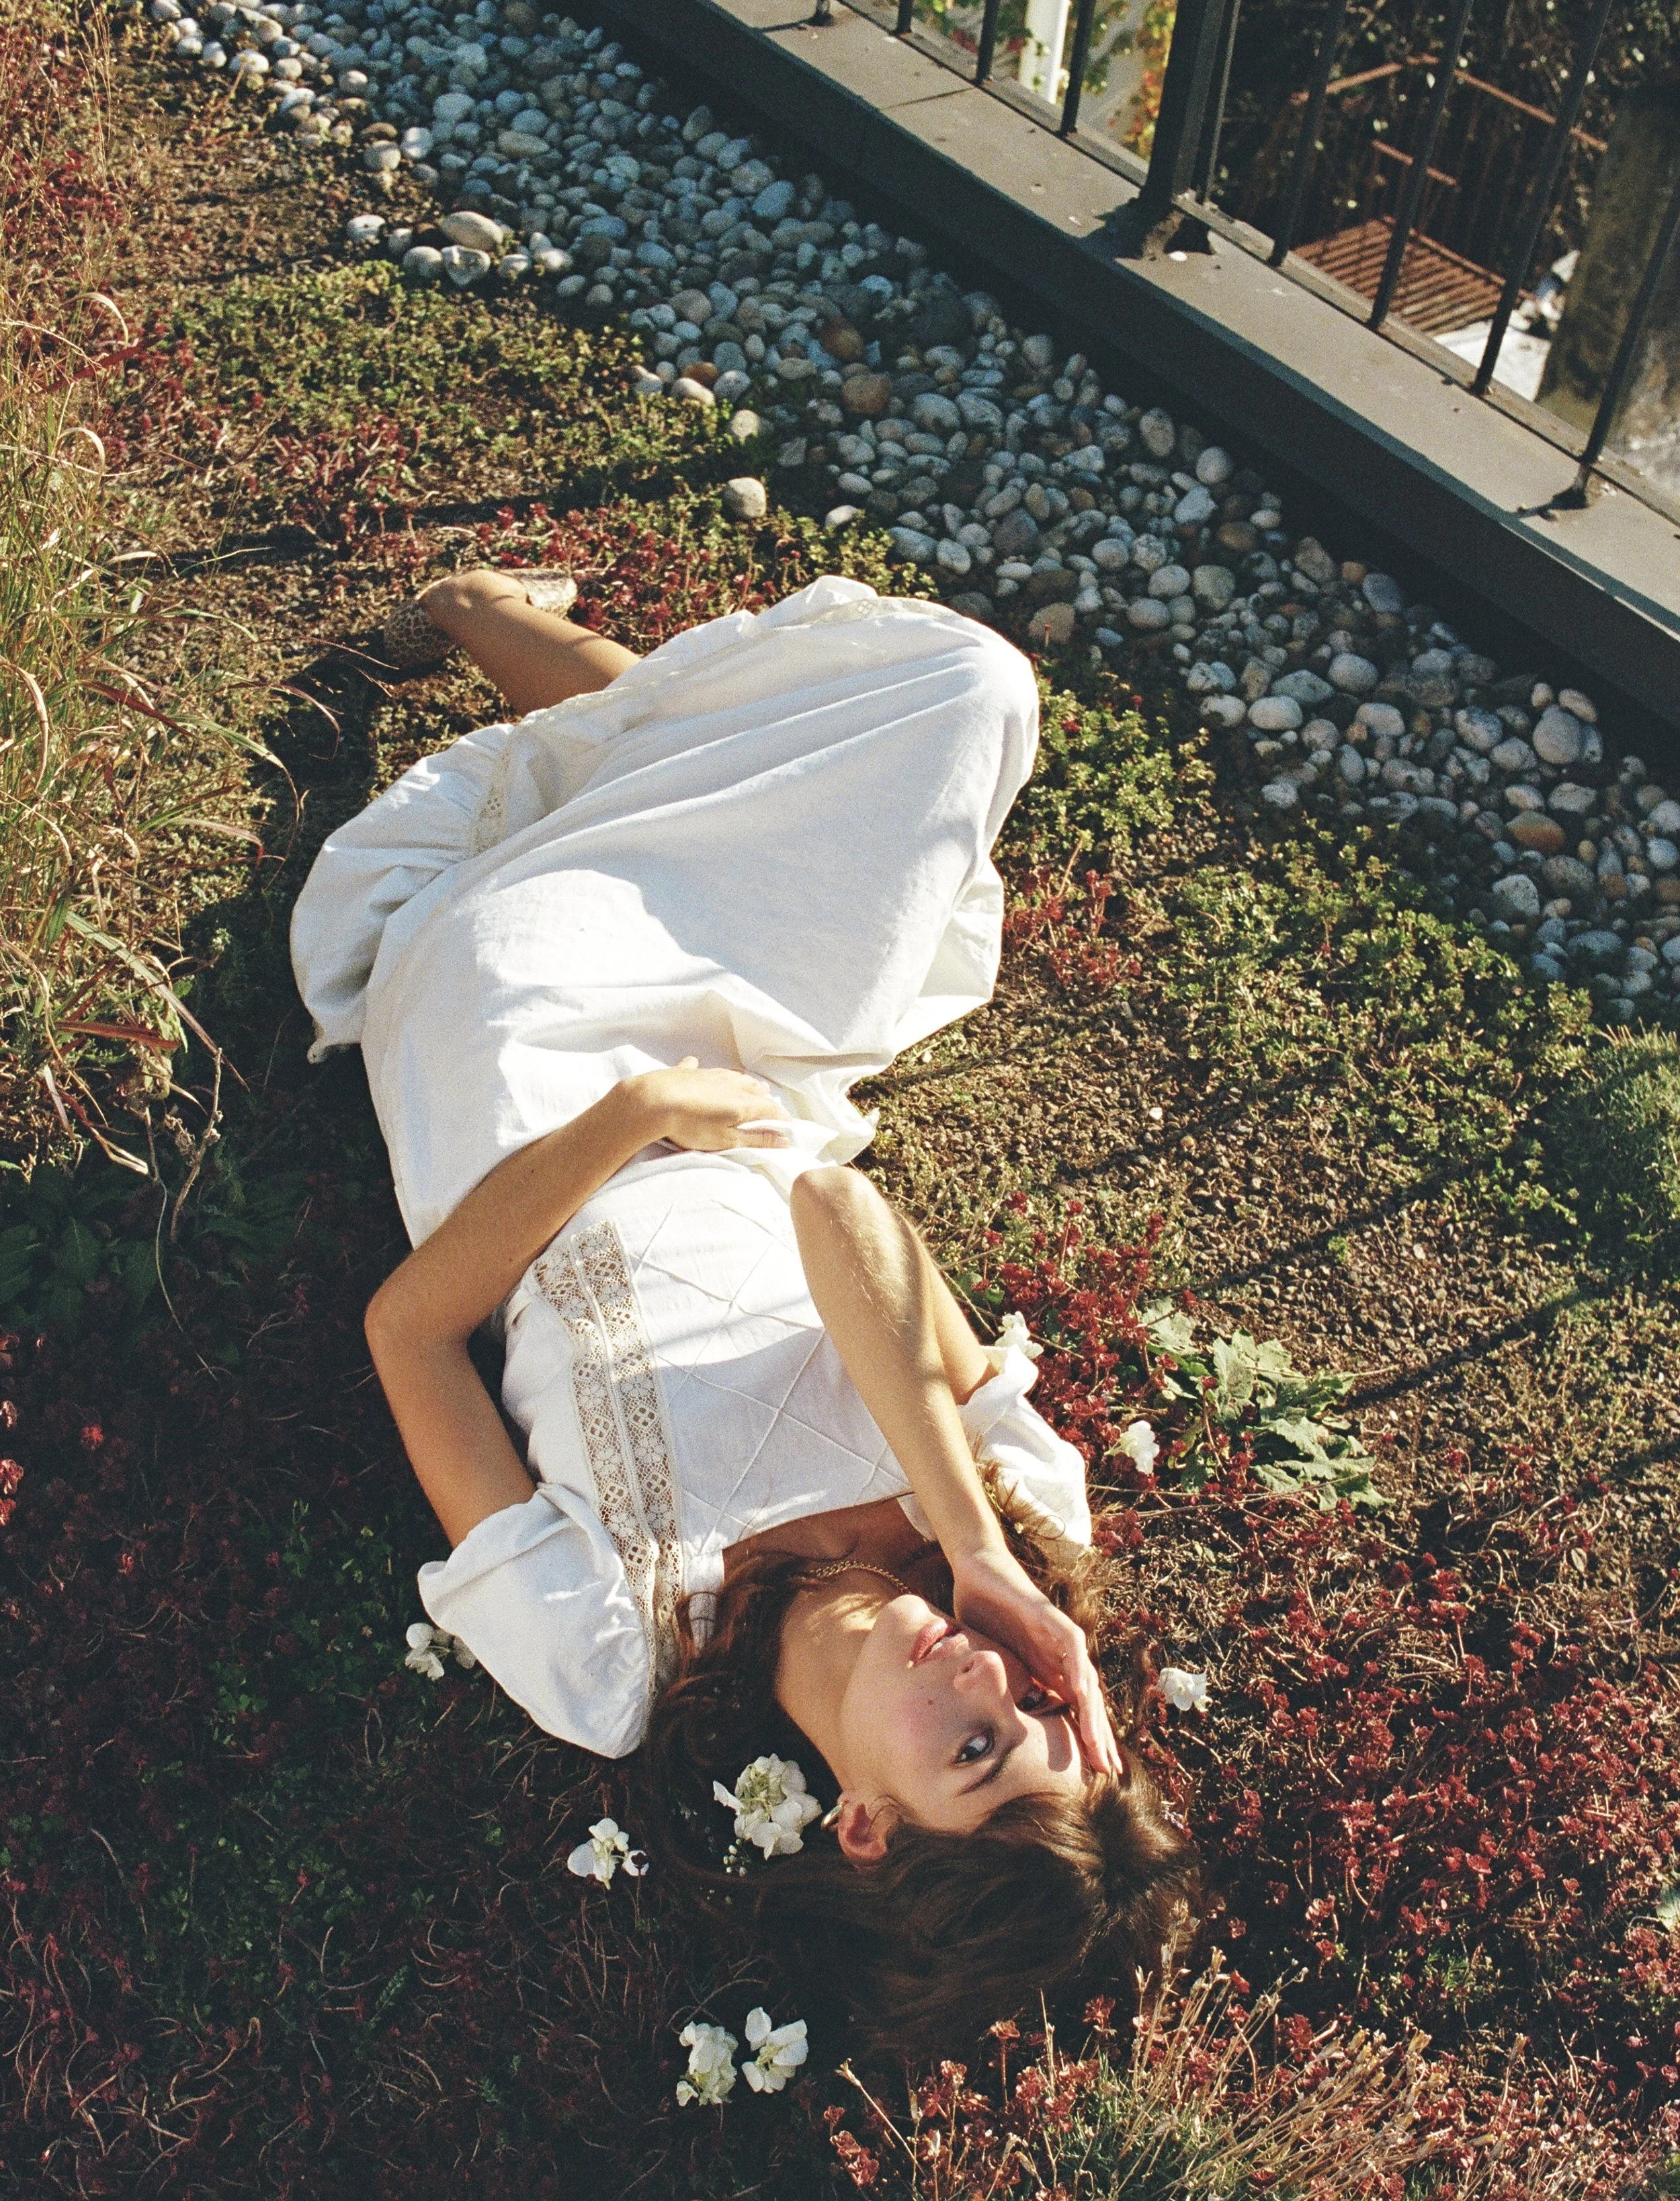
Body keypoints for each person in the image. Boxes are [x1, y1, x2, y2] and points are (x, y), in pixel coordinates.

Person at [291, 565, 1201, 2062]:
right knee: (974, 692)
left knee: (571, 882)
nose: (986, 1674)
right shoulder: (1015, 1522)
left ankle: (472, 617)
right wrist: (970, 1535)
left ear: (859, 1826)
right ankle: (473, 612)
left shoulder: (610, 1656)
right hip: (746, 1085)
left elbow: (408, 1330)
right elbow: (838, 1214)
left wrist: (624, 1117)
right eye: (1036, 1698)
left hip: (518, 1089)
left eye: (973, 1750)